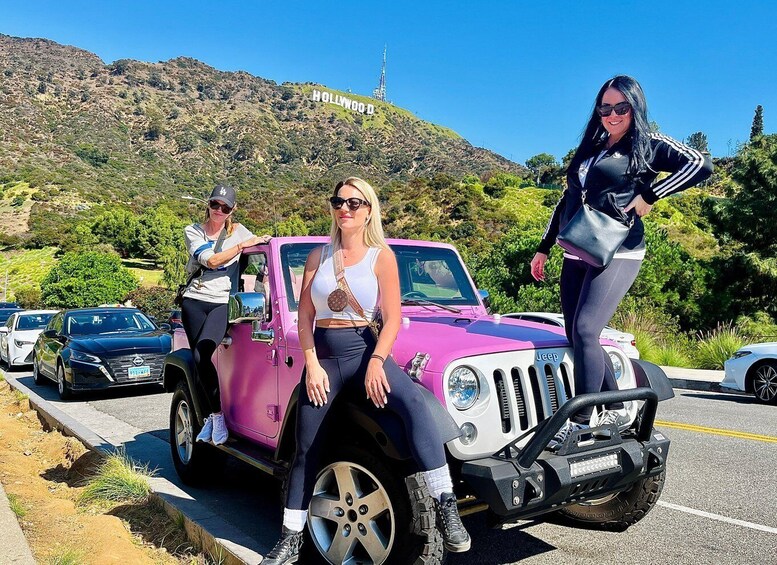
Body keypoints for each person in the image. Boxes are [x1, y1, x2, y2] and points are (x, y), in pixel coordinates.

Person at [264, 177, 470, 564]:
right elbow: (306, 316)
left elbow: (392, 319)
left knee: (414, 401)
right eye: (338, 202)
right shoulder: (317, 258)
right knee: (307, 446)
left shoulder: (382, 257)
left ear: (369, 210)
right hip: (324, 357)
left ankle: (446, 506)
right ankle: (290, 538)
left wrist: (377, 361)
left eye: (354, 203)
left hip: (364, 351)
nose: (345, 208)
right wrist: (311, 364)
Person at [530, 75, 712, 448]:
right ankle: (613, 406)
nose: (612, 115)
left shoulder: (648, 144)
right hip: (577, 248)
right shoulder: (592, 146)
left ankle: (581, 420)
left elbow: (700, 163)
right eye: (605, 108)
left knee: (584, 330)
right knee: (576, 335)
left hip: (620, 249)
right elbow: (568, 199)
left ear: (635, 107)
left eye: (621, 108)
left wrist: (652, 193)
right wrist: (544, 246)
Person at [181, 183, 270, 445]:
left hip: (222, 302)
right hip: (194, 300)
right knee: (198, 363)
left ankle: (217, 417)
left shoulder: (240, 232)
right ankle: (212, 416)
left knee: (202, 352)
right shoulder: (193, 231)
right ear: (208, 205)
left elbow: (261, 251)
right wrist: (242, 246)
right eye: (215, 205)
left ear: (233, 210)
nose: (219, 210)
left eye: (225, 207)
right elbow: (211, 260)